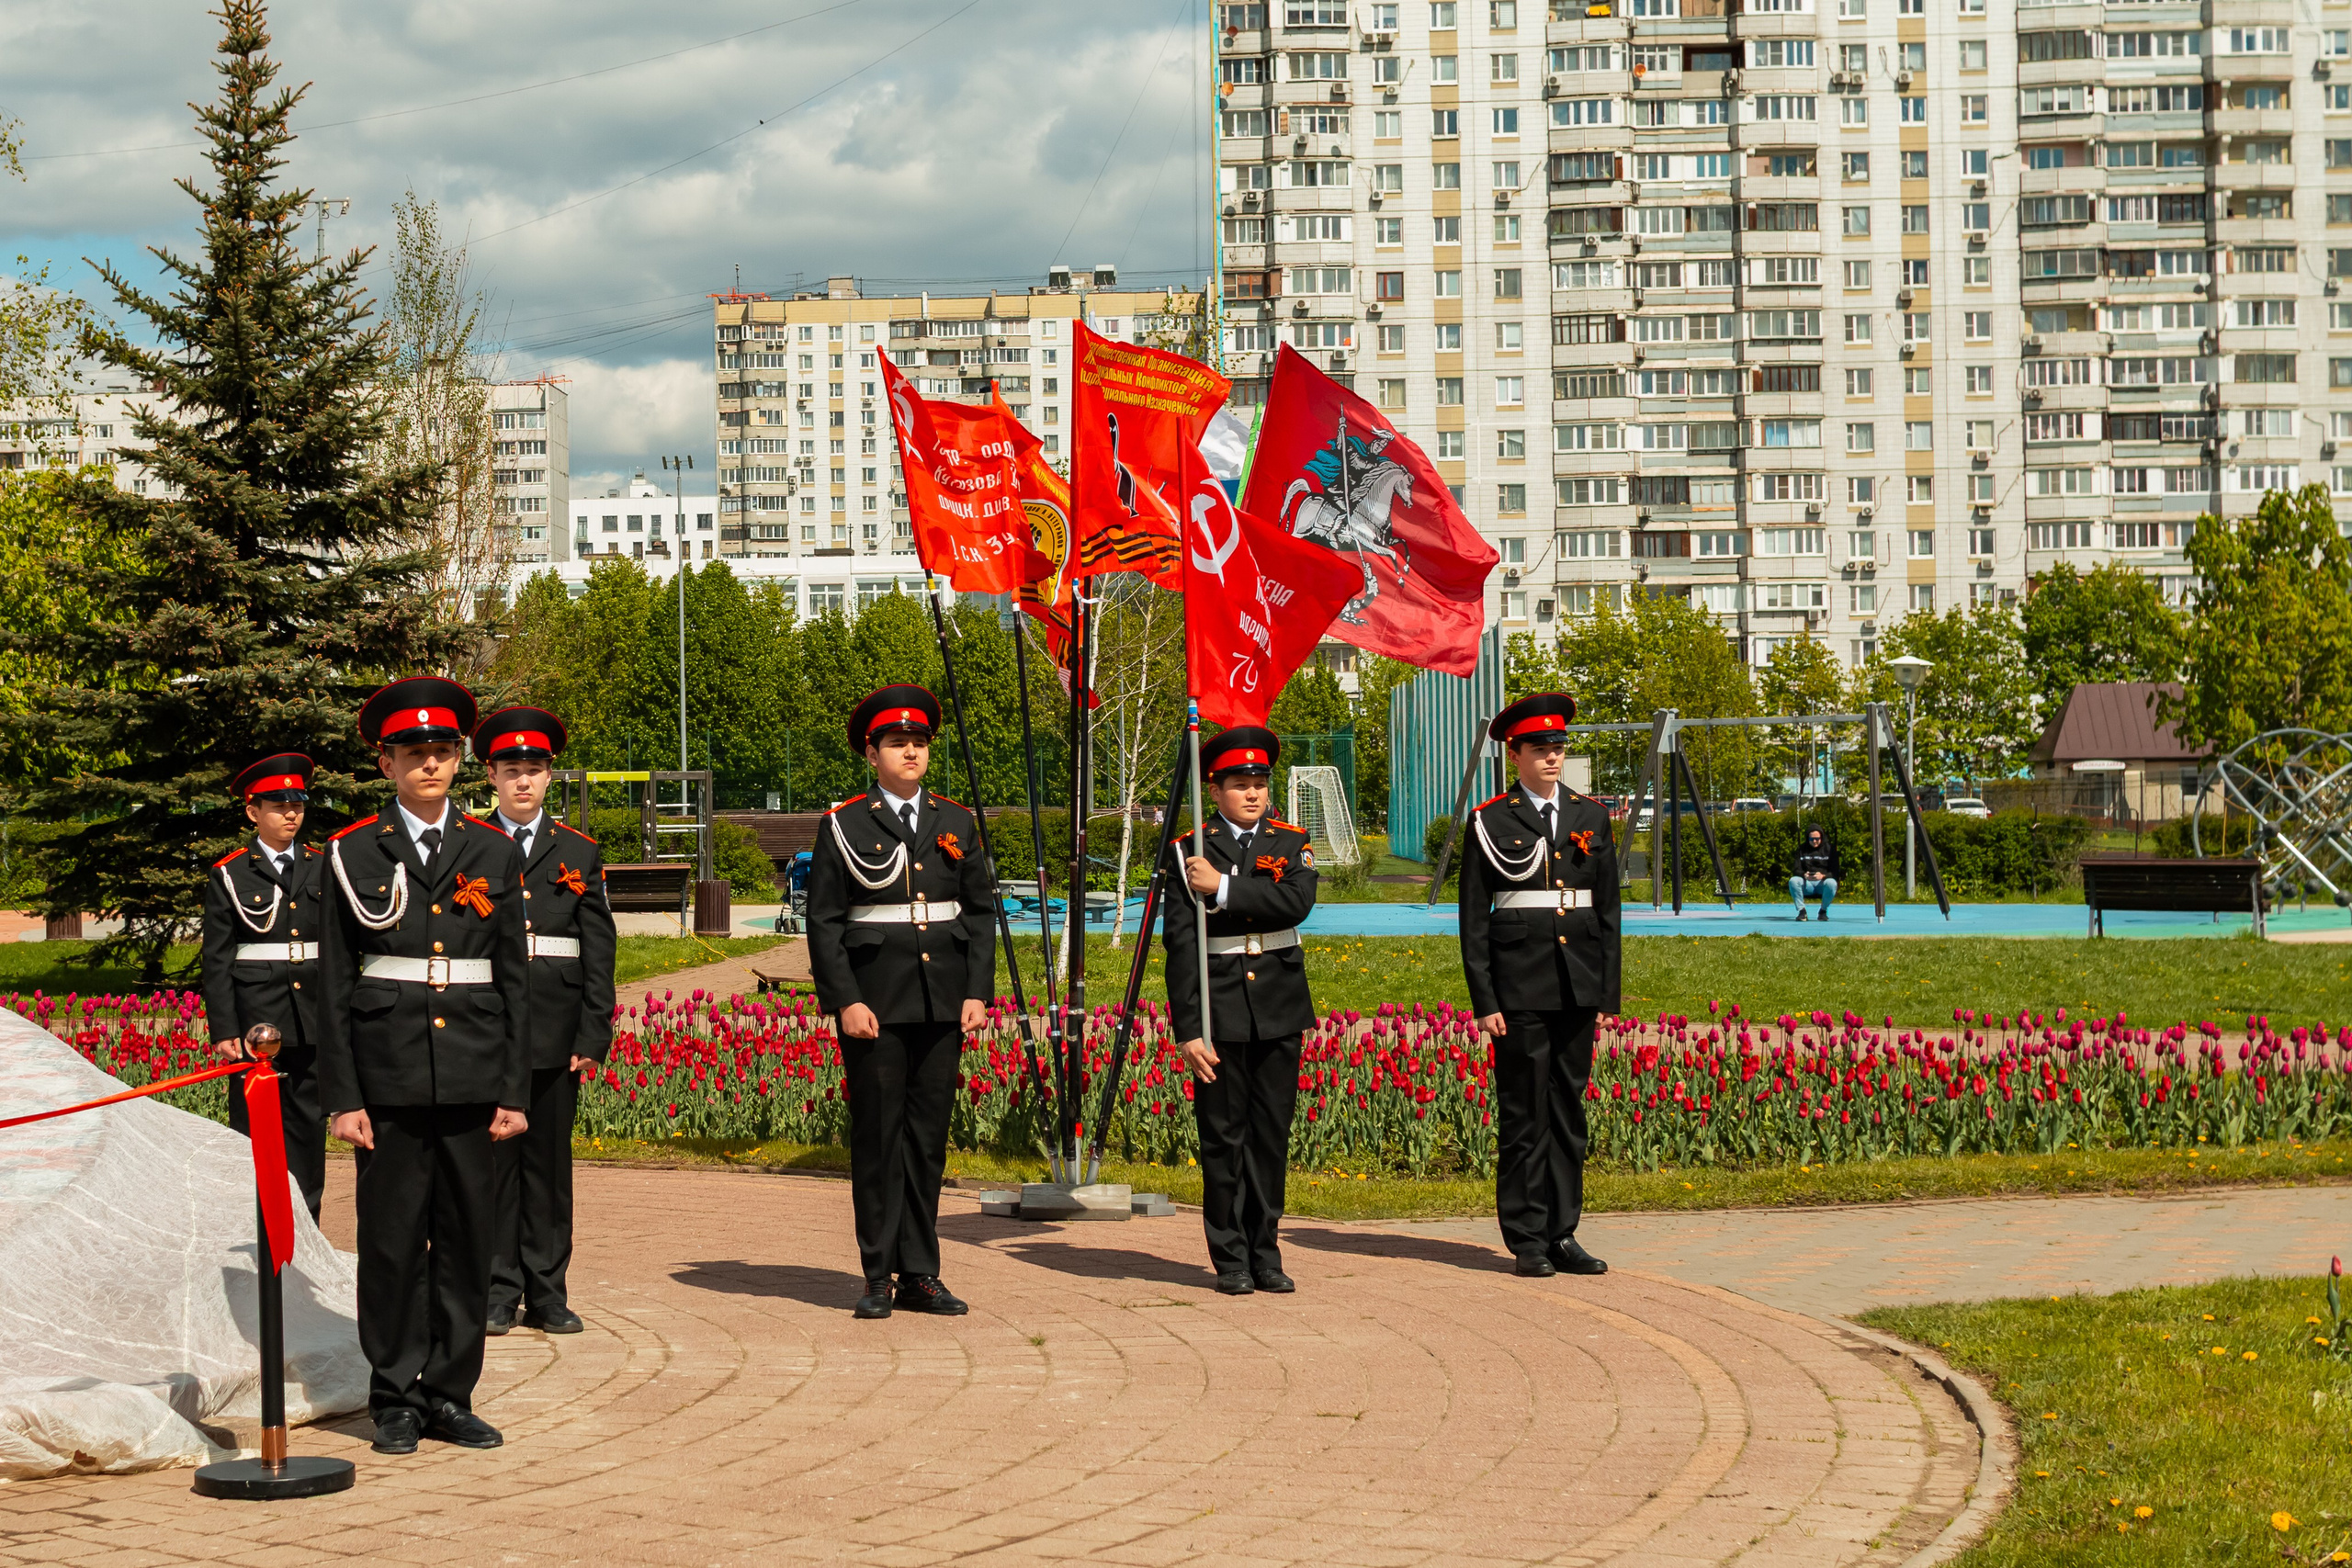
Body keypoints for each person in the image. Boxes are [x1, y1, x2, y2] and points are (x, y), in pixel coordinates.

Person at [317, 676, 530, 1457]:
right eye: (415, 752)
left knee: (470, 1238)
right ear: (387, 762)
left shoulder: (492, 849)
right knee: (392, 1242)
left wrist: (514, 1088)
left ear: (458, 761)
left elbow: (515, 979)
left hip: (474, 1073)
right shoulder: (349, 852)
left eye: (442, 751)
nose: (430, 763)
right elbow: (335, 982)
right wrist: (344, 1095)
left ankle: (450, 1392)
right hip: (390, 1075)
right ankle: (394, 1395)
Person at [805, 685, 995, 1320]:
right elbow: (825, 921)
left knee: (927, 1142)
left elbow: (982, 912)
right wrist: (845, 1000)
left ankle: (921, 1273)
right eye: (896, 742)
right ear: (872, 752)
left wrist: (975, 988)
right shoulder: (845, 822)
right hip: (876, 1005)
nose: (910, 750)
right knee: (879, 1141)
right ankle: (877, 1274)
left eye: (918, 742)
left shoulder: (957, 821)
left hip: (942, 1001)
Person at [1458, 693, 1621, 1279]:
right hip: (1519, 985)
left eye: (1558, 748)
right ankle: (1526, 1237)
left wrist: (1608, 994)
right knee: (1524, 1112)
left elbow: (1608, 913)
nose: (1552, 758)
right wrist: (1485, 999)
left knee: (1568, 1112)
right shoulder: (1491, 819)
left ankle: (1563, 1233)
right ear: (1515, 753)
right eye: (1540, 749)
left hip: (1577, 981)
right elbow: (1475, 918)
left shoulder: (1591, 816)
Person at [1160, 727, 1319, 1297]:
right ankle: (1229, 1257)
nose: (1252, 794)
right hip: (1220, 1007)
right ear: (1216, 788)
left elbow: (1296, 901)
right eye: (1239, 784)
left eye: (1259, 783)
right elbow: (1180, 945)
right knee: (1224, 1139)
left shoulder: (1290, 840)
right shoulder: (1188, 849)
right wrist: (1189, 1029)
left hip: (1278, 1005)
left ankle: (1266, 1252)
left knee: (1270, 1137)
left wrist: (1224, 887)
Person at [474, 707, 615, 1338]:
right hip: (492, 1030)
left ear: (550, 776)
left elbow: (598, 951)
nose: (522, 782)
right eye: (511, 771)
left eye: (532, 770)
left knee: (550, 1170)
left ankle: (548, 1290)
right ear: (491, 776)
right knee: (496, 1166)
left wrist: (593, 1034)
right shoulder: (472, 846)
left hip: (558, 1034)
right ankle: (499, 1289)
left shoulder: (579, 851)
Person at [200, 752, 330, 1221]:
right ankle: (263, 1227)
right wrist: (223, 1028)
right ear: (254, 812)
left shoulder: (323, 866)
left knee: (310, 1129)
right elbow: (216, 959)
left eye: (298, 803)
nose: (291, 813)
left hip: (312, 1018)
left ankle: (307, 1227)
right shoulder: (231, 872)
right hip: (257, 1021)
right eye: (278, 804)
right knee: (256, 1130)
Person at [1790, 825, 1841, 922]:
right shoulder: (1801, 849)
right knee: (1793, 880)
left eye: (1817, 839)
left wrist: (1823, 876)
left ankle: (1823, 911)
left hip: (1822, 883)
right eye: (1811, 839)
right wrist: (1804, 875)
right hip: (1807, 883)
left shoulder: (1830, 850)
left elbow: (1835, 872)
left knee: (1832, 883)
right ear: (1807, 838)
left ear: (1821, 838)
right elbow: (1796, 870)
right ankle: (1802, 911)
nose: (1814, 842)